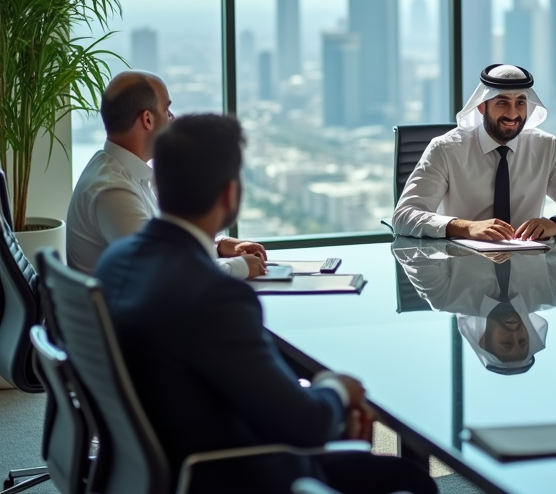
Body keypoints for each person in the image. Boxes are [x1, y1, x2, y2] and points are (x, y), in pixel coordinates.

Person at [93, 114, 436, 494]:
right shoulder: (214, 294)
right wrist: (337, 387)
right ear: (230, 194)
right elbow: (303, 424)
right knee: (412, 481)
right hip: (229, 475)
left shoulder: (116, 260)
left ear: (160, 183)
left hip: (154, 466)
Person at [66, 70, 266, 278]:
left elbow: (163, 245)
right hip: (131, 310)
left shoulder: (125, 174)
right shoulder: (113, 191)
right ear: (147, 120)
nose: (173, 118)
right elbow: (161, 270)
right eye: (167, 110)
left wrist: (219, 246)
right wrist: (239, 266)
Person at [392, 64, 556, 241]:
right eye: (502, 103)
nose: (513, 114)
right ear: (482, 107)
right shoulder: (445, 149)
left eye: (520, 103)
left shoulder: (545, 147)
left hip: (527, 271)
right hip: (462, 270)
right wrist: (466, 227)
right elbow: (404, 216)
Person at [392, 231, 556, 374]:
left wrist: (461, 233)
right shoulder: (546, 294)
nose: (516, 334)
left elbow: (413, 254)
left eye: (506, 343)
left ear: (484, 339)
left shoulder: (445, 299)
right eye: (523, 341)